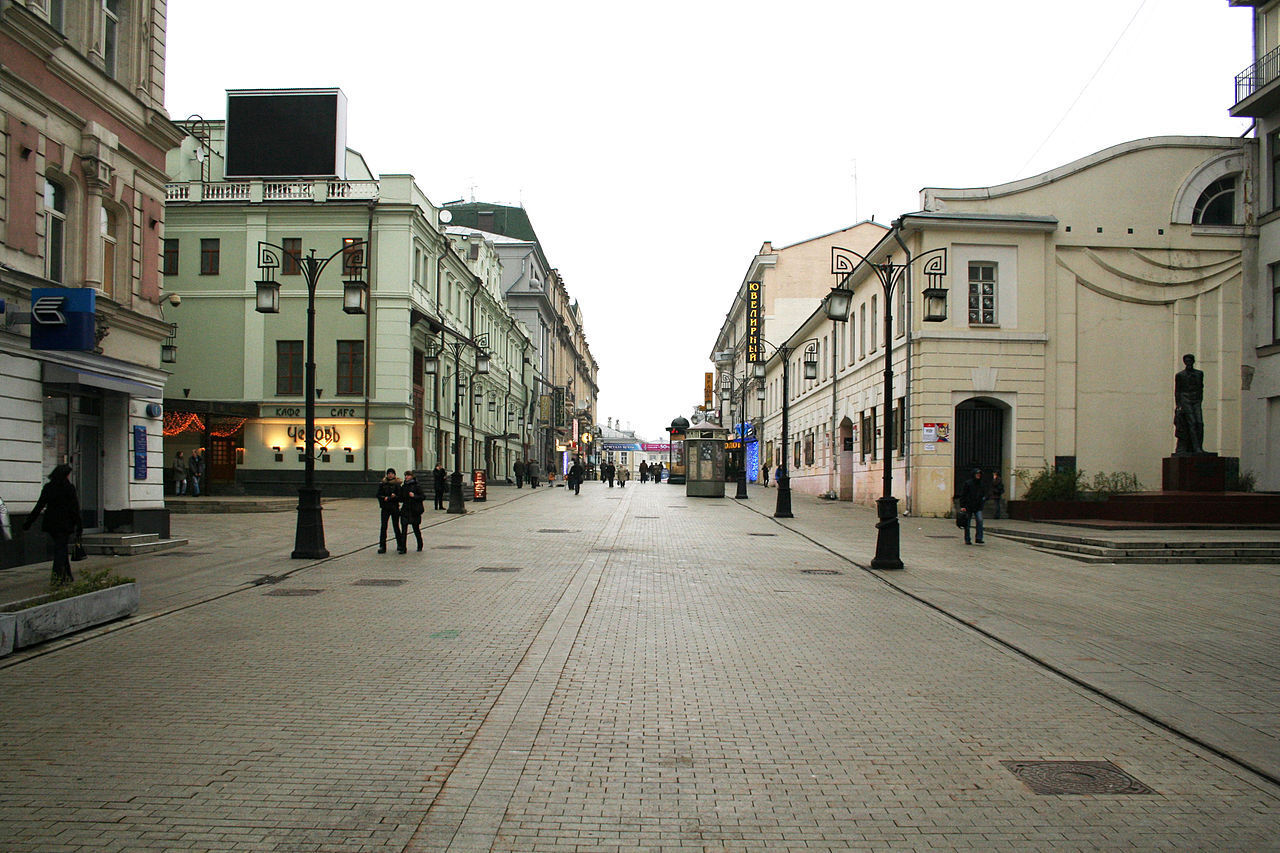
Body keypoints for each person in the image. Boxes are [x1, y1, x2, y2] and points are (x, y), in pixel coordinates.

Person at [22, 464, 82, 585]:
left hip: (51, 524)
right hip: (65, 524)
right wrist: (79, 525)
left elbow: (39, 506)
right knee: (61, 549)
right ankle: (57, 577)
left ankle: (67, 576)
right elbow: (74, 508)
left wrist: (29, 522)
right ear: (65, 475)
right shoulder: (69, 488)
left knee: (61, 548)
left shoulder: (48, 487)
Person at [1174, 353, 1206, 455]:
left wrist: (1199, 400)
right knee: (1191, 423)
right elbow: (1177, 391)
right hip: (1185, 400)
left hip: (1196, 400)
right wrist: (1178, 405)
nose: (1188, 363)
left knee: (1199, 423)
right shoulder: (1180, 375)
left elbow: (1201, 388)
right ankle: (1196, 448)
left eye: (1190, 361)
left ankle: (1199, 446)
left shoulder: (1199, 374)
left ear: (1193, 361)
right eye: (1186, 361)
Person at [376, 468, 403, 553]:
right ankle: (382, 546)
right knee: (383, 527)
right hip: (385, 508)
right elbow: (378, 495)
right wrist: (384, 498)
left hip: (394, 507)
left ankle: (400, 544)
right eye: (389, 473)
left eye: (392, 473)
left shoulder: (398, 484)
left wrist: (394, 497)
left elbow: (401, 497)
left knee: (396, 526)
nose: (390, 475)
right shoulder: (383, 484)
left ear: (394, 475)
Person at [958, 467, 987, 545]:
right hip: (968, 506)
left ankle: (979, 538)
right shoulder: (968, 483)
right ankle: (967, 539)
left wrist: (983, 500)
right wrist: (962, 506)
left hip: (978, 506)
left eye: (979, 474)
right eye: (977, 474)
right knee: (967, 523)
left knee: (980, 520)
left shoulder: (981, 484)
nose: (978, 475)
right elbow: (963, 495)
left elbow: (984, 493)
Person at [399, 470, 426, 552]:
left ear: (412, 476)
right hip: (405, 510)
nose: (406, 477)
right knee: (404, 530)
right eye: (405, 476)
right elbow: (401, 498)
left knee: (416, 529)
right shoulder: (404, 486)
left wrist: (414, 496)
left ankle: (420, 545)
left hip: (414, 510)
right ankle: (403, 548)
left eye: (408, 475)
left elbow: (423, 496)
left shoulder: (417, 486)